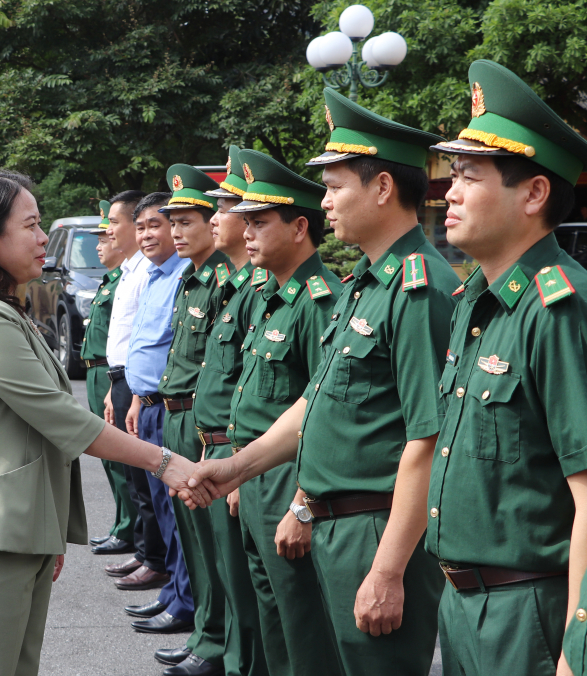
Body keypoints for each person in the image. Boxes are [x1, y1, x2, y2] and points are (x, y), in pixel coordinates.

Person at [186, 89, 461, 676]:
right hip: (337, 523)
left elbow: (429, 440)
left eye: (336, 187)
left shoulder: (420, 287)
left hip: (376, 530)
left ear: (382, 188)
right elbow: (315, 405)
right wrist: (235, 467)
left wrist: (387, 569)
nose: (327, 201)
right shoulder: (367, 282)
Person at [0, 169, 215, 676]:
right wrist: (164, 461)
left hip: (15, 534)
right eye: (31, 226)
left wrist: (47, 532)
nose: (43, 239)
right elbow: (63, 421)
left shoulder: (2, 311)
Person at [426, 61, 587, 676]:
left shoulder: (558, 308)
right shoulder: (477, 303)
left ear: (534, 194)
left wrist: (578, 649)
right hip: (464, 607)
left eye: (469, 175)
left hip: (531, 616)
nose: (451, 192)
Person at [225, 149, 342, 676]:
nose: (246, 233)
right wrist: (236, 474)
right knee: (268, 611)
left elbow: (321, 413)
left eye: (259, 222)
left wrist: (302, 503)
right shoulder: (269, 297)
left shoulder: (320, 302)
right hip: (254, 476)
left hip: (288, 480)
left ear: (299, 228)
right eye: (244, 222)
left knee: (302, 625)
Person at [169, 145, 268, 676]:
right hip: (210, 439)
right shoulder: (233, 285)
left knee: (244, 575)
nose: (231, 218)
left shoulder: (254, 289)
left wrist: (238, 459)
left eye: (228, 207)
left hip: (238, 450)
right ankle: (219, 648)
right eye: (233, 208)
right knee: (216, 561)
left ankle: (233, 658)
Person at [141, 165, 231, 676]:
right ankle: (205, 634)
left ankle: (216, 642)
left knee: (213, 547)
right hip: (172, 415)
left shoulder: (222, 280)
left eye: (185, 221)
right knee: (192, 539)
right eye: (169, 221)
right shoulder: (192, 278)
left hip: (200, 420)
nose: (175, 231)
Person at [118, 192, 196, 639]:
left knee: (176, 510)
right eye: (141, 226)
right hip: (146, 405)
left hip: (172, 410)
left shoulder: (184, 276)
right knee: (162, 512)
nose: (147, 234)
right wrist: (135, 399)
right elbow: (144, 347)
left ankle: (186, 601)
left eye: (157, 225)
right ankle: (173, 591)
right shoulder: (152, 275)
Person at [80, 200, 137, 557]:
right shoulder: (111, 280)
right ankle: (122, 522)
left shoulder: (125, 280)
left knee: (119, 455)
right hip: (95, 372)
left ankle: (129, 527)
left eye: (105, 234)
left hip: (109, 370)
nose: (101, 243)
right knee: (108, 458)